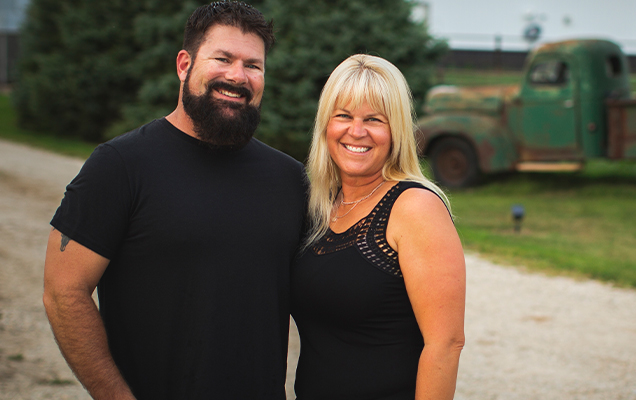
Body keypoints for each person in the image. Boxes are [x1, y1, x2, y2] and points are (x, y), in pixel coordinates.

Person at [42, 2, 306, 399]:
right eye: (222, 58)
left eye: (253, 65)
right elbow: (63, 291)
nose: (238, 75)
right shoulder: (120, 166)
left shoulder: (290, 179)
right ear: (184, 65)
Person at [291, 54, 466, 400]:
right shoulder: (320, 206)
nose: (356, 131)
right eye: (343, 116)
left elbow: (445, 343)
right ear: (326, 124)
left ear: (396, 130)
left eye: (374, 119)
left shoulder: (415, 207)